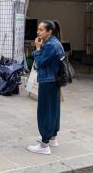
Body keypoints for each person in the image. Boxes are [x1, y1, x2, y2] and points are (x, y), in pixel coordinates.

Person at [27, 20, 63, 155]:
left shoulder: (50, 45)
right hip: (53, 81)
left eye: (41, 30)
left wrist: (37, 49)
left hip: (48, 81)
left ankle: (44, 144)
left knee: (45, 111)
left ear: (49, 31)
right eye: (38, 29)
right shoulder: (53, 42)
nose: (38, 32)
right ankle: (52, 138)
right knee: (53, 109)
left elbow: (41, 62)